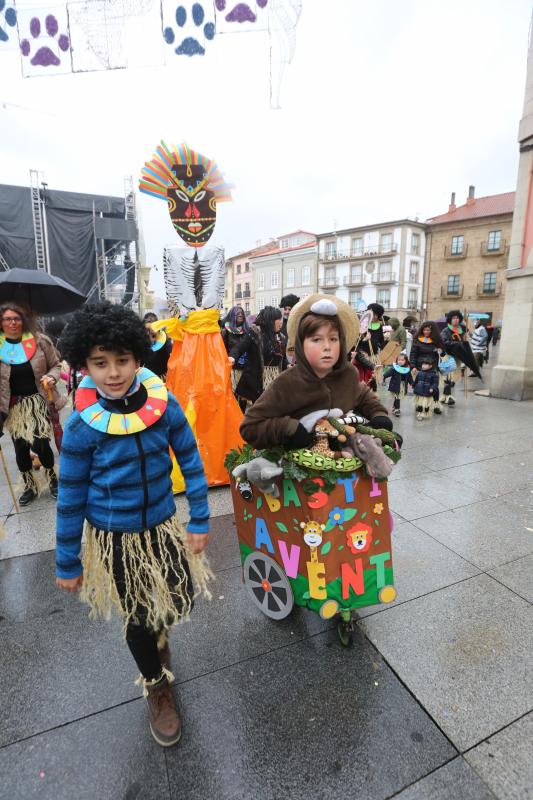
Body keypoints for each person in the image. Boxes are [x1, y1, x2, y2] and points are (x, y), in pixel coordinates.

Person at [55, 302, 211, 748]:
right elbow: (68, 499)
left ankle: (159, 635)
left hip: (163, 528)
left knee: (176, 603)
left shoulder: (165, 406)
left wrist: (199, 516)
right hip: (116, 541)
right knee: (138, 617)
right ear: (83, 364)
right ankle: (156, 686)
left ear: (138, 358)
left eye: (122, 360)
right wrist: (68, 561)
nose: (113, 372)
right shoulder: (82, 426)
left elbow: (192, 463)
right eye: (100, 363)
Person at [240, 294, 393, 451]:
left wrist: (379, 414)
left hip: (343, 462)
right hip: (300, 467)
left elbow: (363, 396)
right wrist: (288, 428)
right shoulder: (288, 382)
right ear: (301, 344)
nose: (327, 346)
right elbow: (250, 426)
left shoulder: (348, 374)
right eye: (316, 339)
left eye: (333, 339)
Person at [0, 302, 65, 505]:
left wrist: (52, 377)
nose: (12, 323)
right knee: (20, 449)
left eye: (16, 318)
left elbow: (56, 365)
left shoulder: (39, 341)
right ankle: (30, 486)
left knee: (41, 445)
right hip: (13, 406)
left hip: (38, 402)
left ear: (24, 320)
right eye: (7, 319)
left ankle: (53, 480)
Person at [255, 305, 286, 389]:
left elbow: (283, 359)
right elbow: (240, 348)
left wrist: (288, 365)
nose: (281, 322)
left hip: (277, 377)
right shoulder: (257, 335)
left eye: (281, 319)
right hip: (260, 379)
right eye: (278, 319)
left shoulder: (281, 337)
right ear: (271, 321)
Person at [440, 310, 467, 406]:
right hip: (448, 356)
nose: (456, 320)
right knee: (448, 377)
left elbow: (464, 342)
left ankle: (444, 396)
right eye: (454, 318)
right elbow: (444, 342)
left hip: (457, 357)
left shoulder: (461, 330)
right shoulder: (446, 330)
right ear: (450, 320)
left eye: (457, 318)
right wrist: (457, 344)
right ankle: (448, 397)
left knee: (453, 378)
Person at [413, 356, 439, 421]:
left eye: (426, 364)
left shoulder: (434, 375)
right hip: (419, 391)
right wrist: (413, 385)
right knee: (420, 404)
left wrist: (432, 388)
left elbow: (435, 383)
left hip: (427, 392)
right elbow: (416, 380)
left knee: (427, 404)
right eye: (423, 364)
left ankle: (426, 413)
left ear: (430, 366)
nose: (423, 366)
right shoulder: (419, 373)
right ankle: (420, 414)